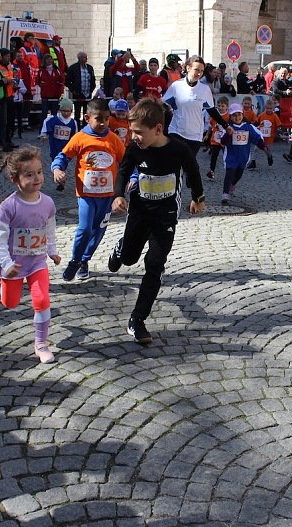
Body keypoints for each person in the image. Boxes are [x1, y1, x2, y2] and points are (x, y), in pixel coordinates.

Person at [108, 98, 206, 344]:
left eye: (139, 132)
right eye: (132, 132)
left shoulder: (179, 149)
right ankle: (121, 248)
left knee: (155, 264)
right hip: (139, 212)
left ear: (158, 129)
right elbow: (122, 170)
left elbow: (193, 171)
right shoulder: (135, 148)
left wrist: (198, 197)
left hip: (165, 216)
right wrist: (118, 195)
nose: (135, 137)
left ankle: (137, 319)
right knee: (129, 258)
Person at [0, 146, 61, 364]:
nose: (36, 178)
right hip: (13, 265)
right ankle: (7, 288)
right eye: (29, 174)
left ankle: (41, 343)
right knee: (10, 303)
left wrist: (52, 251)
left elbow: (49, 229)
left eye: (39, 172)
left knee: (42, 300)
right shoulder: (9, 206)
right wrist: (6, 263)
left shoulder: (47, 203)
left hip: (37, 263)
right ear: (15, 179)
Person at [51, 98, 126, 281]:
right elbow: (63, 156)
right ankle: (75, 261)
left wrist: (132, 179)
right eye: (99, 119)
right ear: (87, 118)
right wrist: (57, 169)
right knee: (85, 229)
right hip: (86, 195)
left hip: (107, 196)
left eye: (107, 119)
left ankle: (85, 260)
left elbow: (126, 163)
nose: (103, 123)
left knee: (98, 230)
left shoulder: (114, 140)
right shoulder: (80, 138)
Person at [163, 55, 230, 159]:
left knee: (188, 166)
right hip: (176, 131)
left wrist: (226, 125)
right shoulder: (176, 86)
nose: (199, 73)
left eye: (202, 71)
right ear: (188, 68)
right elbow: (164, 106)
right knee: (175, 163)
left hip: (195, 134)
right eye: (196, 70)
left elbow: (211, 110)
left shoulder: (204, 89)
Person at [219, 103, 273, 204]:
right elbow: (222, 142)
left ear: (243, 115)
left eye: (239, 114)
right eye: (234, 115)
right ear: (230, 116)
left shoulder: (249, 127)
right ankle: (225, 193)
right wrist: (228, 134)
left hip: (243, 156)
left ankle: (233, 185)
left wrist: (264, 146)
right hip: (231, 156)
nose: (237, 117)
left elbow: (257, 138)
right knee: (229, 173)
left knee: (239, 174)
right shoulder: (228, 127)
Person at [39, 97, 77, 192]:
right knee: (55, 162)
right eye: (64, 111)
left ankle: (61, 181)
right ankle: (60, 179)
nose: (66, 113)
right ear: (60, 110)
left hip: (66, 149)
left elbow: (75, 135)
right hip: (54, 147)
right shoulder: (53, 119)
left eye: (69, 111)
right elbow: (46, 125)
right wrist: (44, 135)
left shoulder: (73, 123)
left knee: (63, 164)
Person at [65, 51, 96, 125]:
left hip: (87, 94)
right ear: (79, 58)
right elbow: (67, 81)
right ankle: (77, 128)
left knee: (87, 113)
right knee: (77, 113)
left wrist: (92, 89)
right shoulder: (73, 68)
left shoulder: (89, 68)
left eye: (86, 57)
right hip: (78, 94)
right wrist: (73, 90)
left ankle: (86, 127)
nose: (86, 59)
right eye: (84, 57)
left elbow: (92, 79)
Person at [206, 96, 230, 180]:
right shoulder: (214, 115)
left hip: (225, 140)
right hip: (215, 140)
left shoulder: (228, 116)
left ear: (227, 106)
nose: (220, 108)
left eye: (223, 106)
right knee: (214, 155)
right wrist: (207, 135)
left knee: (227, 156)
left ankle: (229, 171)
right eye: (219, 106)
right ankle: (212, 171)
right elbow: (210, 126)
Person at [37, 54, 65, 124]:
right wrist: (42, 86)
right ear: (45, 60)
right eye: (47, 59)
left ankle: (53, 130)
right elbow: (37, 81)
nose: (49, 61)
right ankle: (42, 131)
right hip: (45, 96)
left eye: (50, 59)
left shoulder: (57, 70)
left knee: (54, 115)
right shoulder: (41, 70)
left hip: (55, 96)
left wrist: (60, 91)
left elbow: (62, 80)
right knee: (44, 114)